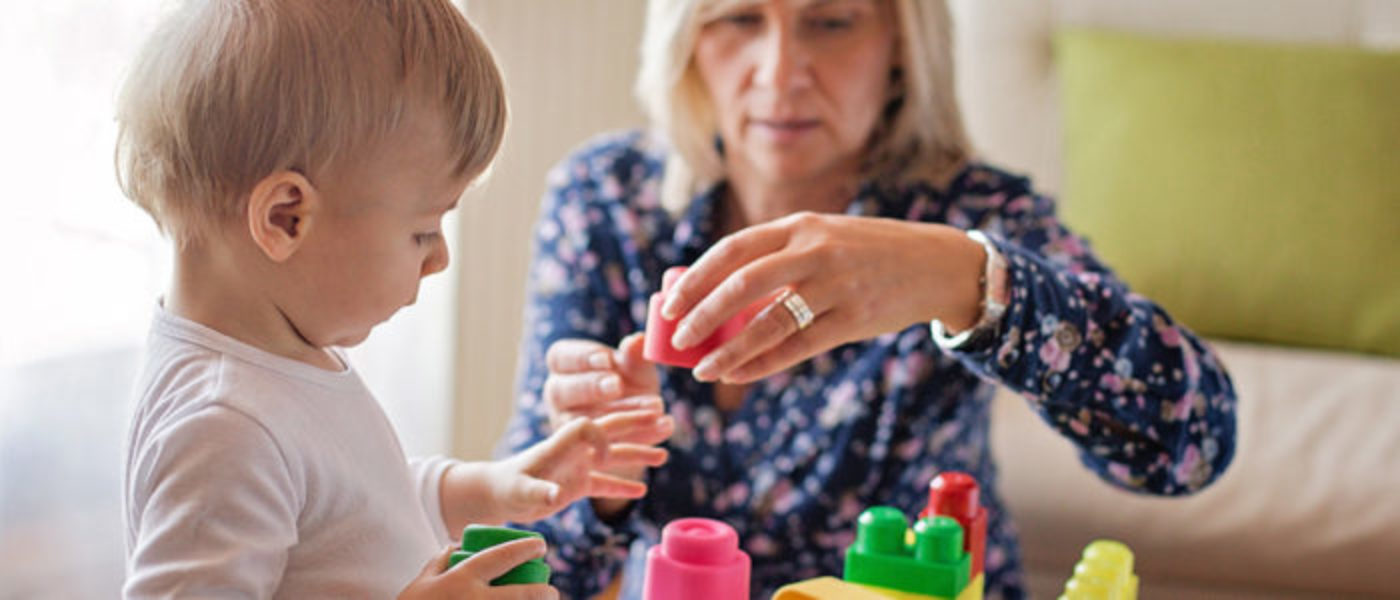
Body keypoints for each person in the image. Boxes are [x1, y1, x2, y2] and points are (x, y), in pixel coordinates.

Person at [502, 0, 1238, 598]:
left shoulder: (975, 212)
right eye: (737, 18)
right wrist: (591, 483)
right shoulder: (606, 198)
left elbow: (1193, 444)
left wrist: (967, 281)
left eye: (831, 21)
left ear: (900, 43)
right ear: (686, 39)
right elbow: (531, 563)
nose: (781, 71)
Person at [116, 1, 673, 598]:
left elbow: (351, 509)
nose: (439, 260)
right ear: (286, 217)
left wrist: (488, 487)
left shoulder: (278, 360)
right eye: (423, 231)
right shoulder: (224, 429)